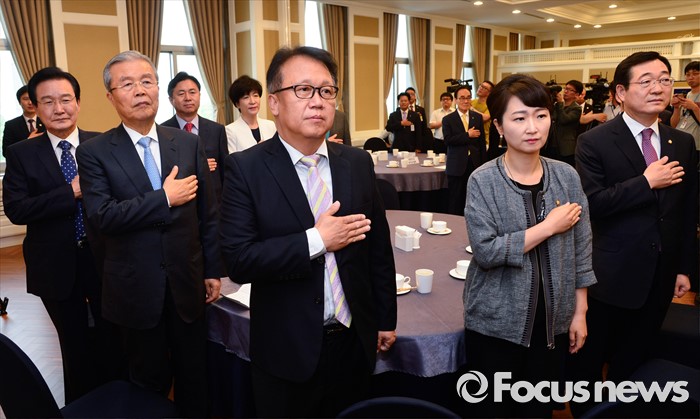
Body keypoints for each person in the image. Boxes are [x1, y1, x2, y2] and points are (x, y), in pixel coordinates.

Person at [219, 46, 397, 417]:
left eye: (326, 91)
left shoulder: (356, 162)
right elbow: (239, 260)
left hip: (354, 341)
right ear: (274, 102)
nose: (317, 101)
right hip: (287, 349)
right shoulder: (245, 169)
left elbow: (378, 249)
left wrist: (385, 319)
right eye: (303, 90)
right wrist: (317, 240)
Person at [76, 50, 222, 417]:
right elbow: (102, 217)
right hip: (134, 289)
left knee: (195, 377)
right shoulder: (94, 152)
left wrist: (212, 269)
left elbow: (208, 213)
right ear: (110, 96)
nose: (140, 90)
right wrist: (164, 198)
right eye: (127, 84)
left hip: (187, 282)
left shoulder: (186, 143)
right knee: (147, 382)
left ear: (158, 89)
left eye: (147, 81)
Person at [570, 51, 698, 416]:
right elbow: (592, 204)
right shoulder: (594, 141)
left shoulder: (681, 142)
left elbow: (686, 211)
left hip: (660, 273)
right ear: (620, 93)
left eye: (664, 79)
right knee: (589, 364)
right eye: (646, 81)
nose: (658, 87)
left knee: (635, 360)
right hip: (609, 275)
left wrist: (684, 267)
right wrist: (645, 182)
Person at [463, 74, 596, 418]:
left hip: (553, 323)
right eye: (519, 118)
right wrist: (548, 227)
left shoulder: (566, 175)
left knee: (537, 410)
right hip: (495, 325)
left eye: (541, 115)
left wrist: (579, 312)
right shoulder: (483, 180)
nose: (533, 127)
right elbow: (486, 251)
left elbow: (581, 247)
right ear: (499, 125)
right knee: (492, 410)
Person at [2, 67, 123, 403]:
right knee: (74, 345)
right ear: (35, 107)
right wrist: (70, 192)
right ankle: (82, 406)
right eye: (48, 101)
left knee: (114, 338)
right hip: (54, 264)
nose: (59, 109)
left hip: (106, 260)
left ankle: (120, 401)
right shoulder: (21, 153)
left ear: (78, 103)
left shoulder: (104, 144)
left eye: (66, 99)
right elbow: (17, 209)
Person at [161, 71, 228, 200]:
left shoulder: (217, 130)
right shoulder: (163, 131)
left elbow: (225, 172)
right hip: (180, 202)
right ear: (171, 100)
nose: (188, 98)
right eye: (181, 94)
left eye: (192, 92)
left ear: (199, 95)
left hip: (214, 200)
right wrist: (200, 167)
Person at [442, 85, 486, 215]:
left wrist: (483, 164)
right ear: (455, 100)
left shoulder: (477, 117)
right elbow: (448, 140)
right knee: (455, 199)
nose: (466, 101)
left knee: (474, 199)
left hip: (474, 163)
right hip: (456, 165)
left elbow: (481, 143)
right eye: (462, 98)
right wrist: (467, 135)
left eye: (468, 98)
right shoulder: (448, 119)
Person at [225, 75, 276, 153]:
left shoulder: (270, 125)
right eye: (246, 97)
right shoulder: (230, 131)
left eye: (255, 96)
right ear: (237, 104)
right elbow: (232, 159)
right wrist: (257, 151)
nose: (252, 101)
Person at [550, 80, 587, 166]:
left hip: (566, 148)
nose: (566, 91)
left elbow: (564, 119)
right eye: (566, 89)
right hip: (552, 145)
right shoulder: (558, 106)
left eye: (570, 90)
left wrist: (559, 103)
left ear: (577, 94)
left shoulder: (576, 108)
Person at [2, 85, 44, 157]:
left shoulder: (46, 122)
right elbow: (6, 152)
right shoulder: (11, 125)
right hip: (22, 162)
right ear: (19, 102)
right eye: (26, 99)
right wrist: (28, 141)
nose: (30, 102)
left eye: (33, 98)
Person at [670, 60, 700, 159]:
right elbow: (674, 125)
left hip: (696, 146)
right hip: (680, 142)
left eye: (695, 74)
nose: (691, 77)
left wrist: (695, 108)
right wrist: (676, 108)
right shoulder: (686, 96)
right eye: (688, 74)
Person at [406, 86, 433, 151]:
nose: (410, 96)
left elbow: (424, 125)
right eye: (408, 94)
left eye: (412, 94)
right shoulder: (402, 110)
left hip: (418, 137)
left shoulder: (421, 109)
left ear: (415, 96)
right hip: (407, 138)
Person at [471, 81, 494, 155]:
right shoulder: (472, 102)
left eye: (484, 88)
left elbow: (485, 118)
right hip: (471, 138)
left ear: (489, 93)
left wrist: (471, 109)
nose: (480, 88)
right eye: (481, 86)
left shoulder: (491, 104)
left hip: (484, 139)